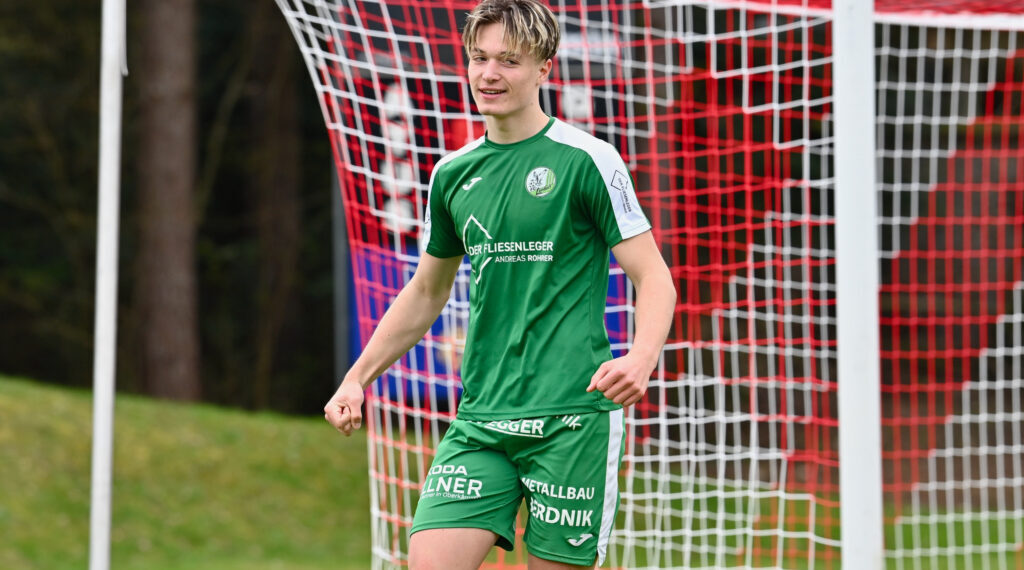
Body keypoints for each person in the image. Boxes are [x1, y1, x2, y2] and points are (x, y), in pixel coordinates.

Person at [323, 1, 676, 568]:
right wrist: (356, 378)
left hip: (572, 418)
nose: (489, 74)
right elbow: (425, 292)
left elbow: (653, 276)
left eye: (509, 60)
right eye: (480, 58)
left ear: (545, 69)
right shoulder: (452, 173)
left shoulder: (588, 160)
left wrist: (641, 356)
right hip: (481, 420)